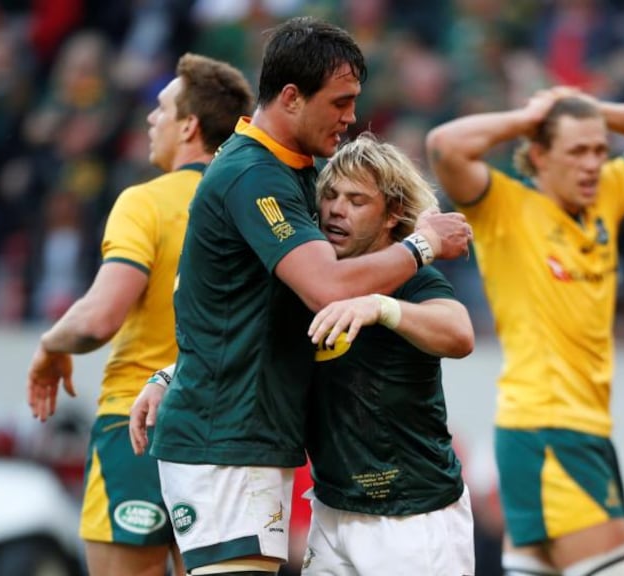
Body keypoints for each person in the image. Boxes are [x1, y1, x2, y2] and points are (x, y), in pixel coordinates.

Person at [127, 17, 472, 576]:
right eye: (340, 101)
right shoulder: (256, 177)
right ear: (291, 98)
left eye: (354, 200)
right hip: (231, 445)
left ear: (388, 214)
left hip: (403, 508)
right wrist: (424, 243)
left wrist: (174, 372)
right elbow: (324, 290)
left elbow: (255, 310)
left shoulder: (299, 183)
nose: (350, 116)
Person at [427, 86, 624, 576]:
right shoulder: (505, 206)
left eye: (599, 149)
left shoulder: (606, 197)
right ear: (538, 155)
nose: (593, 163)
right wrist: (531, 115)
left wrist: (593, 112)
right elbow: (445, 145)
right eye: (577, 151)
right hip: (547, 429)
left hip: (582, 431)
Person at [25, 53, 254, 576]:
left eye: (162, 109)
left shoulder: (145, 201)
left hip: (141, 426)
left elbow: (97, 319)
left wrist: (49, 344)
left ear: (190, 125)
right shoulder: (253, 207)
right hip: (230, 431)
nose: (152, 119)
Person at [302, 133, 476, 575]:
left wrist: (382, 308)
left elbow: (459, 334)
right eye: (331, 196)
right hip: (332, 506)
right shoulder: (310, 279)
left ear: (392, 214)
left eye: (357, 201)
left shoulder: (413, 281)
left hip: (415, 516)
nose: (337, 210)